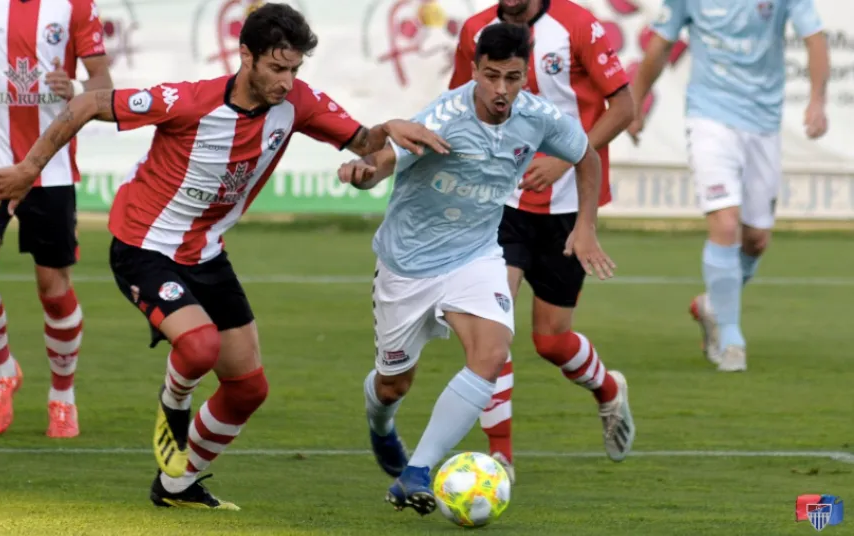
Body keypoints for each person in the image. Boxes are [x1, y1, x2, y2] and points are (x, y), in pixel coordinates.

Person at [0, 3, 449, 510]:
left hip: (207, 254)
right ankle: (174, 404)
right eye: (277, 68)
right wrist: (27, 169)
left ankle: (176, 484)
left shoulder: (299, 104)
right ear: (246, 56)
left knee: (249, 388)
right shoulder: (188, 101)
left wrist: (388, 135)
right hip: (142, 245)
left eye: (295, 70)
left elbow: (364, 144)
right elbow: (88, 105)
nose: (287, 82)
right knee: (198, 349)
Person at [338, 22, 615, 516]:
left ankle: (417, 472)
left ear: (526, 74)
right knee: (393, 385)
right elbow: (384, 160)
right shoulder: (443, 117)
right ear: (474, 70)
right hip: (408, 265)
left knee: (491, 352)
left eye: (512, 77)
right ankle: (381, 425)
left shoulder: (539, 117)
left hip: (476, 255)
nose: (502, 90)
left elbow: (586, 156)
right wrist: (364, 174)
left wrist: (586, 225)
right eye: (491, 77)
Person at [449, 0, 637, 479]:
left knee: (551, 341)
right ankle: (500, 458)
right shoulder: (477, 28)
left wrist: (567, 157)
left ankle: (608, 390)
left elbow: (625, 107)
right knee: (492, 328)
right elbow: (456, 108)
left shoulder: (575, 24)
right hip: (500, 203)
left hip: (567, 207)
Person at [629, 0, 829, 372]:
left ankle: (713, 304)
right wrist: (635, 103)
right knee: (724, 222)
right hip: (710, 117)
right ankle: (731, 338)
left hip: (763, 123)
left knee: (756, 239)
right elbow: (659, 43)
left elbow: (815, 38)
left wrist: (817, 101)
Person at [0, 0, 113, 438]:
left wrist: (76, 86)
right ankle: (4, 369)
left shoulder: (76, 5)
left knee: (53, 287)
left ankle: (62, 396)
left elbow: (103, 83)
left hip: (51, 167)